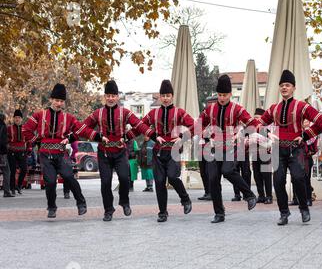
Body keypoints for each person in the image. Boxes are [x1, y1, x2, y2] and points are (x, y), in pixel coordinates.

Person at [259, 70, 322, 226]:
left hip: (296, 148)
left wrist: (312, 134)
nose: (284, 88)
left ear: (294, 88)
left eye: (287, 85)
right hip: (277, 149)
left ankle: (304, 208)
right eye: (281, 85)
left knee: (298, 178)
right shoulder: (274, 108)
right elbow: (258, 123)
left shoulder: (302, 106)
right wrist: (267, 133)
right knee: (278, 181)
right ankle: (284, 212)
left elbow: (320, 120)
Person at [22, 83, 100, 218]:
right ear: (51, 99)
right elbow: (25, 130)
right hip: (45, 154)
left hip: (61, 154)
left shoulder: (68, 117)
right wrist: (36, 140)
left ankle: (81, 203)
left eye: (61, 101)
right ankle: (51, 207)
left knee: (69, 176)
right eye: (57, 100)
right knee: (50, 182)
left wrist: (97, 136)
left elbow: (81, 129)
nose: (59, 103)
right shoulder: (40, 115)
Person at [83, 80, 152, 222]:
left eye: (113, 95)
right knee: (105, 182)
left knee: (125, 178)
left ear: (117, 97)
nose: (110, 98)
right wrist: (97, 136)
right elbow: (83, 127)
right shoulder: (97, 113)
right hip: (104, 153)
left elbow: (139, 126)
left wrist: (128, 136)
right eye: (108, 95)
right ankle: (108, 210)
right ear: (104, 96)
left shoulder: (125, 112)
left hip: (120, 152)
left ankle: (124, 202)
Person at [128, 80, 194, 223]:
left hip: (174, 151)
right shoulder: (153, 113)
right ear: (160, 96)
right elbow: (140, 126)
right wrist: (153, 135)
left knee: (173, 177)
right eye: (163, 95)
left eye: (168, 95)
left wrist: (182, 138)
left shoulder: (179, 112)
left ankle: (185, 198)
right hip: (158, 152)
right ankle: (162, 212)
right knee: (159, 182)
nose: (165, 98)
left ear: (172, 96)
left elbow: (194, 125)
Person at [198, 74, 259, 223]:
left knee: (227, 171)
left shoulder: (237, 109)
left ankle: (249, 195)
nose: (222, 98)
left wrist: (250, 133)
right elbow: (199, 123)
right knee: (213, 179)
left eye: (225, 95)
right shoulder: (209, 110)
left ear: (231, 94)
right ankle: (219, 213)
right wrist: (203, 136)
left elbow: (251, 122)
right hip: (214, 148)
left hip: (231, 146)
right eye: (219, 95)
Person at [250, 108, 273, 204]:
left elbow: (271, 143)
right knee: (257, 176)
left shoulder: (266, 130)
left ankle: (269, 196)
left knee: (266, 176)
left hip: (265, 155)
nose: (256, 120)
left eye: (258, 118)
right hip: (255, 155)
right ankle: (261, 195)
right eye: (255, 118)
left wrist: (261, 141)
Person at [7, 109, 28, 196]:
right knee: (12, 171)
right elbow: (5, 139)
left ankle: (18, 185)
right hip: (11, 152)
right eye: (15, 117)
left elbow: (29, 140)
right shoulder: (9, 128)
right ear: (13, 118)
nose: (17, 119)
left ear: (21, 119)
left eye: (19, 117)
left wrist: (29, 149)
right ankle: (12, 188)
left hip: (22, 152)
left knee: (24, 169)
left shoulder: (25, 128)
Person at [0, 112, 14, 197]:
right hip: (2, 153)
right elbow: (3, 141)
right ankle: (6, 191)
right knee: (6, 171)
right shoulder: (3, 126)